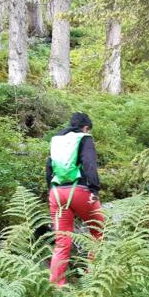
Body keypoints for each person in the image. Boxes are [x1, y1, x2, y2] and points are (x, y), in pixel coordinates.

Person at [46, 112, 104, 286]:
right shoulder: (84, 138)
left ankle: (56, 287)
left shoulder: (56, 140)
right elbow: (89, 164)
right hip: (80, 192)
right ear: (85, 127)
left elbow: (49, 167)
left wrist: (50, 190)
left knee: (62, 243)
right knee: (100, 233)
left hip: (56, 193)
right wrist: (94, 189)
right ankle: (92, 280)